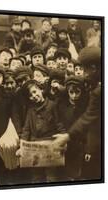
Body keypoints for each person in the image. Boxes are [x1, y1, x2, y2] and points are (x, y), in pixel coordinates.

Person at [53, 47, 102, 180]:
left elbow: (88, 117)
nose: (84, 74)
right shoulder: (96, 82)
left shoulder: (99, 90)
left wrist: (66, 136)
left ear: (93, 68)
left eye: (85, 70)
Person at [19, 80, 66, 182]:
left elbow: (59, 124)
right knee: (36, 176)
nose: (34, 96)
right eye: (30, 95)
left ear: (41, 89)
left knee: (51, 176)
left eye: (35, 92)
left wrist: (63, 138)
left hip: (50, 145)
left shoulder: (52, 105)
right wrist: (21, 146)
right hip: (35, 147)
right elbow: (26, 130)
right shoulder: (30, 110)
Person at [58, 76, 89, 179]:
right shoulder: (62, 106)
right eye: (71, 92)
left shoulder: (85, 107)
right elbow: (59, 123)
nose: (74, 96)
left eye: (77, 92)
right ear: (67, 92)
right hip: (66, 144)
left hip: (81, 145)